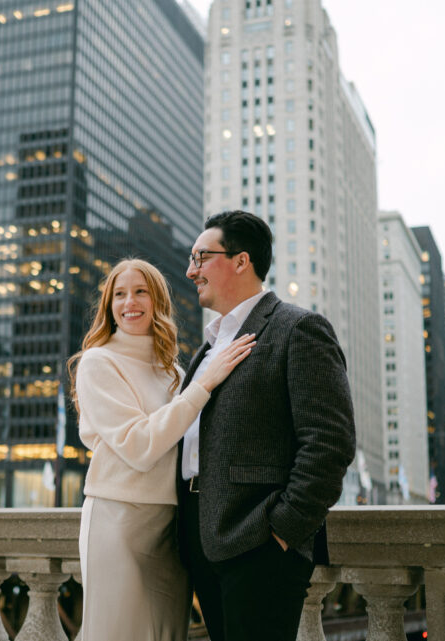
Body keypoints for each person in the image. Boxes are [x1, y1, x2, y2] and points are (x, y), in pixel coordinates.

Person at [178, 210, 356, 641]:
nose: (190, 271)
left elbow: (330, 443)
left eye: (201, 257)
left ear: (241, 261)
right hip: (198, 537)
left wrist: (282, 532)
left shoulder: (299, 329)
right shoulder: (206, 349)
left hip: (259, 545)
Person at [68, 258, 256, 641]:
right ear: (108, 306)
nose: (129, 302)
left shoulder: (174, 372)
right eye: (119, 294)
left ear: (157, 301)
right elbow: (139, 445)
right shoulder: (98, 362)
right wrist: (204, 386)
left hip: (172, 526)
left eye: (140, 292)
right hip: (118, 520)